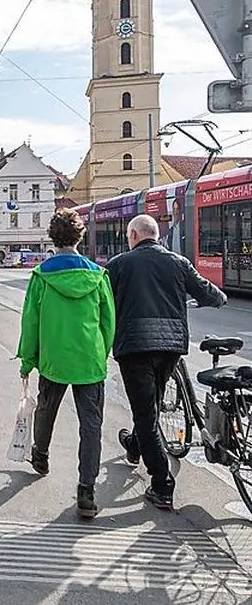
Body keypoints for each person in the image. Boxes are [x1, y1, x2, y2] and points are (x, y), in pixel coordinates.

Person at [108, 214, 226, 510]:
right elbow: (207, 292)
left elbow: (101, 299)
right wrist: (219, 299)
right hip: (171, 346)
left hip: (135, 346)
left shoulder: (119, 264)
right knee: (151, 405)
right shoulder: (177, 262)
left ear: (133, 235)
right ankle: (135, 446)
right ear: (156, 236)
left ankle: (162, 484)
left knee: (146, 414)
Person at [16, 209, 115, 519]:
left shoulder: (42, 276)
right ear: (80, 236)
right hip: (89, 359)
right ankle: (86, 490)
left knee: (46, 410)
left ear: (52, 238)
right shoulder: (98, 275)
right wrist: (101, 351)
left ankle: (40, 455)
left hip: (53, 358)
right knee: (91, 425)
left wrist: (28, 360)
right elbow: (109, 322)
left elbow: (30, 322)